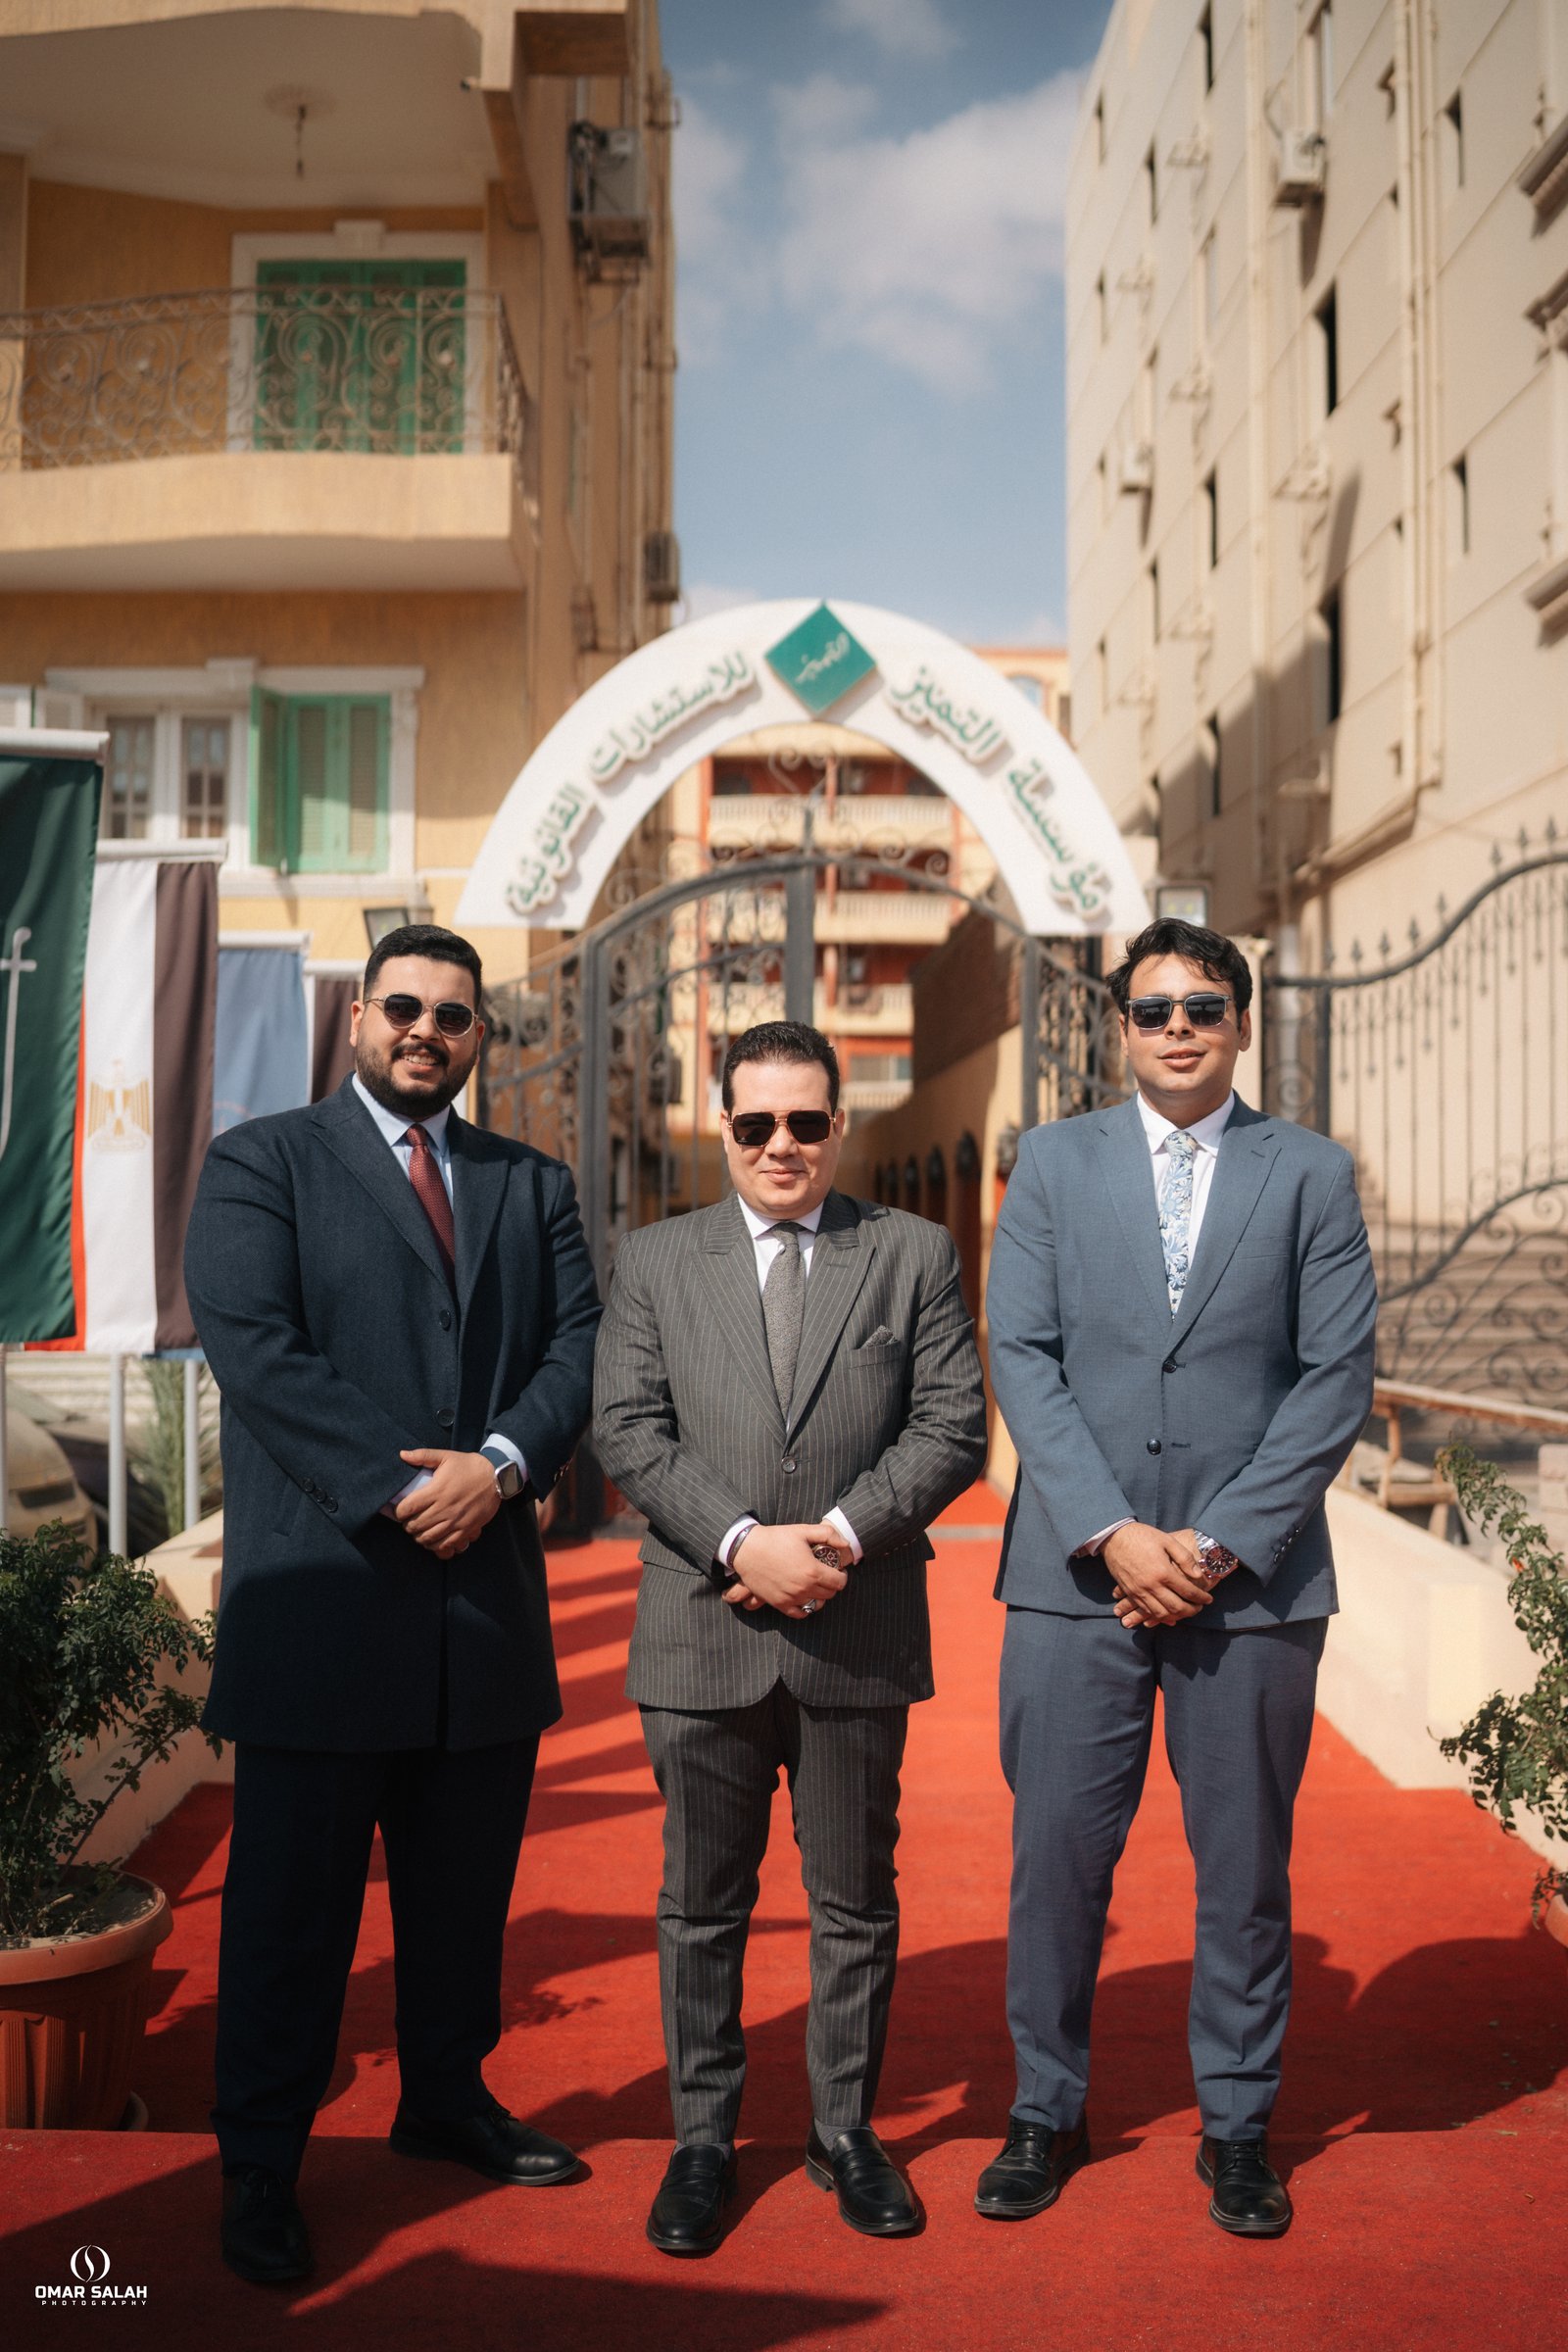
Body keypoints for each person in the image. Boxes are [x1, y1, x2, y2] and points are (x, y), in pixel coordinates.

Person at [184, 922, 601, 2285]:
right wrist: (401, 1487)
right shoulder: (261, 1164)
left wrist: (500, 1466)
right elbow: (256, 1349)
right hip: (322, 1604)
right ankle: (260, 2158)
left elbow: (579, 1348)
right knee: (289, 1917)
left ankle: (446, 2101)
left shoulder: (533, 1184)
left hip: (480, 1614)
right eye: (405, 1007)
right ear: (361, 1016)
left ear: (482, 1036)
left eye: (454, 1015)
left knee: (461, 1900)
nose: (427, 1030)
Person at [976, 917, 1376, 2238]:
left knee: (1244, 1871)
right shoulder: (1053, 1162)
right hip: (1072, 1576)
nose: (1179, 1028)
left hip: (1249, 1588)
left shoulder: (1310, 1173)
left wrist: (1211, 1545)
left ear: (1242, 1024)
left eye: (1204, 1005)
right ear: (1120, 1028)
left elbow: (1334, 1378)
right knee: (1054, 1862)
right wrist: (1110, 1529)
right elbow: (1021, 1354)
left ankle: (1239, 2128)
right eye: (1152, 1010)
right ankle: (1045, 2109)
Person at [594, 1020, 986, 2255]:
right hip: (700, 1631)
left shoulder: (910, 1251)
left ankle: (844, 2133)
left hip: (854, 1628)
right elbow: (627, 1427)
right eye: (756, 1122)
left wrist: (833, 1539)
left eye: (805, 1122)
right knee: (700, 1905)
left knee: (854, 1900)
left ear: (837, 1126)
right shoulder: (656, 1260)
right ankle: (702, 2140)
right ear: (723, 1126)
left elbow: (951, 1424)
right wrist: (738, 1544)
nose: (781, 1145)